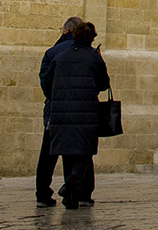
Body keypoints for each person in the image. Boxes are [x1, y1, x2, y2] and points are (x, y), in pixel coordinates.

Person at [43, 21, 111, 210]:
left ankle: (70, 199)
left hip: (61, 113)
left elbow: (47, 84)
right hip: (86, 112)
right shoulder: (94, 58)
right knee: (85, 151)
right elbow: (103, 84)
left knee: (68, 153)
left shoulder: (60, 57)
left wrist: (58, 100)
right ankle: (70, 186)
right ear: (92, 38)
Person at [36, 16, 85, 207]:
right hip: (77, 112)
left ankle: (42, 194)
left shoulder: (52, 52)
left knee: (47, 155)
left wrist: (54, 99)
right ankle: (75, 195)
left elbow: (45, 81)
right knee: (75, 154)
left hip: (55, 111)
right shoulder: (88, 52)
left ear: (66, 30)